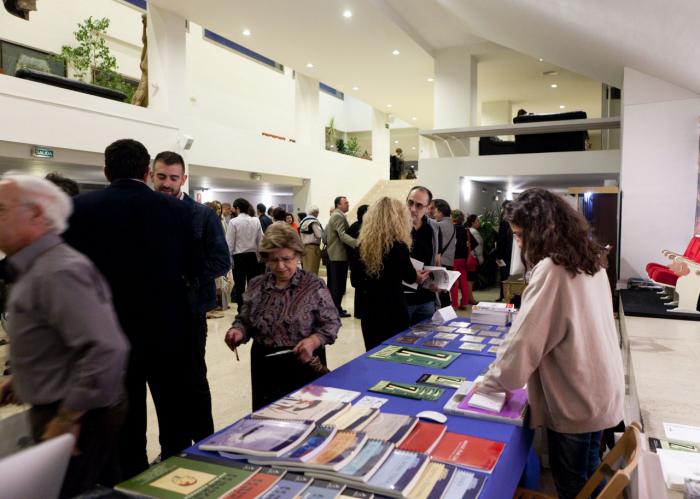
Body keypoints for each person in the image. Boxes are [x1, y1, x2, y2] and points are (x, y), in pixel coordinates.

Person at [478, 188, 624, 499]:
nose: (518, 243)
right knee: (588, 474)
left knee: (574, 486)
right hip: (596, 389)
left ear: (541, 230)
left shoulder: (552, 269)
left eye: (520, 235)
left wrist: (489, 382)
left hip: (576, 397)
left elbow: (524, 342)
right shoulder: (588, 259)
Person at [63, 138, 195, 477]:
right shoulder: (178, 210)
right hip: (167, 328)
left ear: (106, 171)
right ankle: (179, 474)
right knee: (173, 410)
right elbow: (191, 267)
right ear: (148, 172)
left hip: (110, 330)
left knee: (127, 416)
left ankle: (133, 478)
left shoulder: (80, 209)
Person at [0, 173, 129, 498]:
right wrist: (24, 377)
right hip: (63, 407)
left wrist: (67, 418)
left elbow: (106, 348)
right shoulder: (35, 267)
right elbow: (59, 338)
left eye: (2, 209)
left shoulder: (57, 271)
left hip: (78, 416)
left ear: (36, 214)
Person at [151, 151, 230, 442]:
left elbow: (222, 261)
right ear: (151, 176)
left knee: (194, 379)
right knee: (162, 385)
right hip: (154, 315)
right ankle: (172, 446)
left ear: (184, 179)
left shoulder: (202, 215)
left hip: (190, 312)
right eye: (161, 177)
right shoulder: (145, 212)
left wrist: (184, 278)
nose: (167, 183)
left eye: (173, 177)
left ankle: (203, 442)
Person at [224, 224, 340, 410]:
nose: (280, 266)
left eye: (287, 259)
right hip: (265, 365)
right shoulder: (256, 285)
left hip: (304, 361)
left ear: (298, 255)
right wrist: (238, 331)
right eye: (274, 260)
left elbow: (332, 323)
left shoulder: (313, 285)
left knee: (306, 418)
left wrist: (313, 341)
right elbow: (245, 319)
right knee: (268, 417)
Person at [354, 198, 429, 350]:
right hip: (393, 307)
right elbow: (410, 277)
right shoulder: (398, 246)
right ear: (398, 218)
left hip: (369, 309)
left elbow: (355, 281)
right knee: (395, 353)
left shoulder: (361, 245)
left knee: (373, 352)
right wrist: (419, 276)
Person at [404, 186, 440, 324]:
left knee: (425, 342)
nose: (413, 209)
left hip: (426, 298)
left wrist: (438, 280)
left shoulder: (433, 228)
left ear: (428, 207)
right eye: (410, 203)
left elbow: (436, 259)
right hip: (402, 299)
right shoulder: (396, 227)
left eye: (419, 205)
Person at [324, 196, 358, 318]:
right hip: (338, 255)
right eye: (345, 203)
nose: (348, 204)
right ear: (338, 205)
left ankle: (337, 308)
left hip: (336, 255)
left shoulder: (336, 215)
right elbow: (342, 235)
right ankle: (336, 310)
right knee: (338, 285)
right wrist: (357, 243)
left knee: (336, 284)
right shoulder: (338, 216)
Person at [227, 198, 263, 309]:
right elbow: (261, 241)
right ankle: (252, 307)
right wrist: (259, 257)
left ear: (237, 208)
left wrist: (230, 261)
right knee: (252, 285)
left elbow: (229, 244)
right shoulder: (256, 220)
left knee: (239, 285)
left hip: (239, 257)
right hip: (252, 256)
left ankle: (241, 309)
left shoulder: (233, 222)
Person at [450, 210, 479, 309]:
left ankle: (454, 304)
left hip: (452, 259)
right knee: (463, 282)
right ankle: (464, 302)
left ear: (453, 218)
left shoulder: (450, 229)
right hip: (463, 259)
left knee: (453, 282)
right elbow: (474, 244)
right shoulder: (465, 230)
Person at [347, 204, 369, 319]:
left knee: (359, 289)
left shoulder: (353, 226)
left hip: (355, 262)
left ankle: (358, 312)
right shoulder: (365, 228)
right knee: (363, 288)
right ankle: (362, 312)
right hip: (362, 263)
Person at [496, 201, 514, 301]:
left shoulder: (504, 221)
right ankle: (510, 296)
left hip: (504, 255)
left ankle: (504, 296)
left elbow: (501, 239)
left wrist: (498, 255)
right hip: (513, 254)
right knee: (511, 276)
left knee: (504, 276)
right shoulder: (516, 219)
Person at [299, 206, 323, 275]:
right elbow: (319, 235)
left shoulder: (303, 221)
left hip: (304, 247)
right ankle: (312, 285)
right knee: (313, 270)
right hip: (313, 249)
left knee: (306, 270)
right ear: (316, 212)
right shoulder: (313, 221)